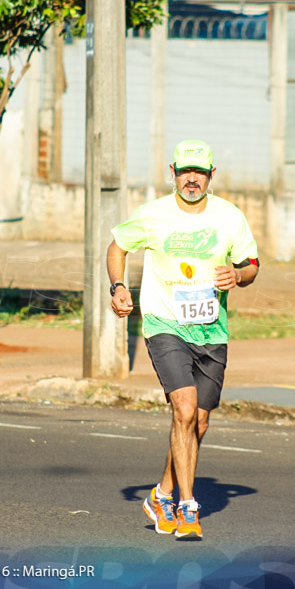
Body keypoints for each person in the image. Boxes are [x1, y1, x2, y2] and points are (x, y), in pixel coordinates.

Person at [108, 139, 259, 539]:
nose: (192, 179)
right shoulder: (152, 214)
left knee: (199, 423)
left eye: (200, 172)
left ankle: (162, 492)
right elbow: (117, 247)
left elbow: (252, 264)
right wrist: (118, 287)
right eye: (185, 171)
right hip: (165, 324)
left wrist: (238, 276)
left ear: (211, 176)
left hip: (211, 329)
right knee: (185, 409)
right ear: (173, 172)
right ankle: (187, 508)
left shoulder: (230, 216)